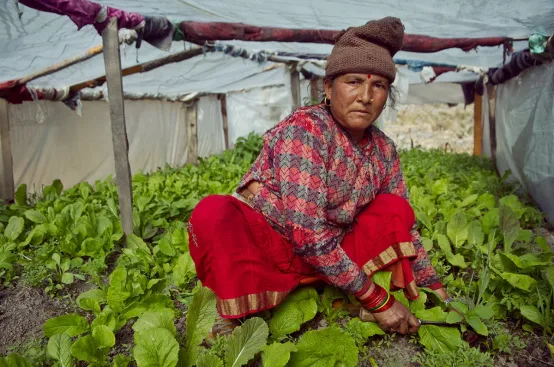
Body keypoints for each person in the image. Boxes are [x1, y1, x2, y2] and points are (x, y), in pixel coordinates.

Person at [188, 16, 451, 336]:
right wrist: (378, 300)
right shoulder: (307, 130)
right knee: (213, 214)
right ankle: (240, 312)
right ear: (328, 87)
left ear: (386, 96)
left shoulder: (384, 150)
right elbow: (307, 234)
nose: (366, 96)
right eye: (354, 82)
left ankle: (346, 292)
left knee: (395, 209)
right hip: (273, 251)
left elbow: (405, 227)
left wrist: (433, 286)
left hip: (334, 251)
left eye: (378, 85)